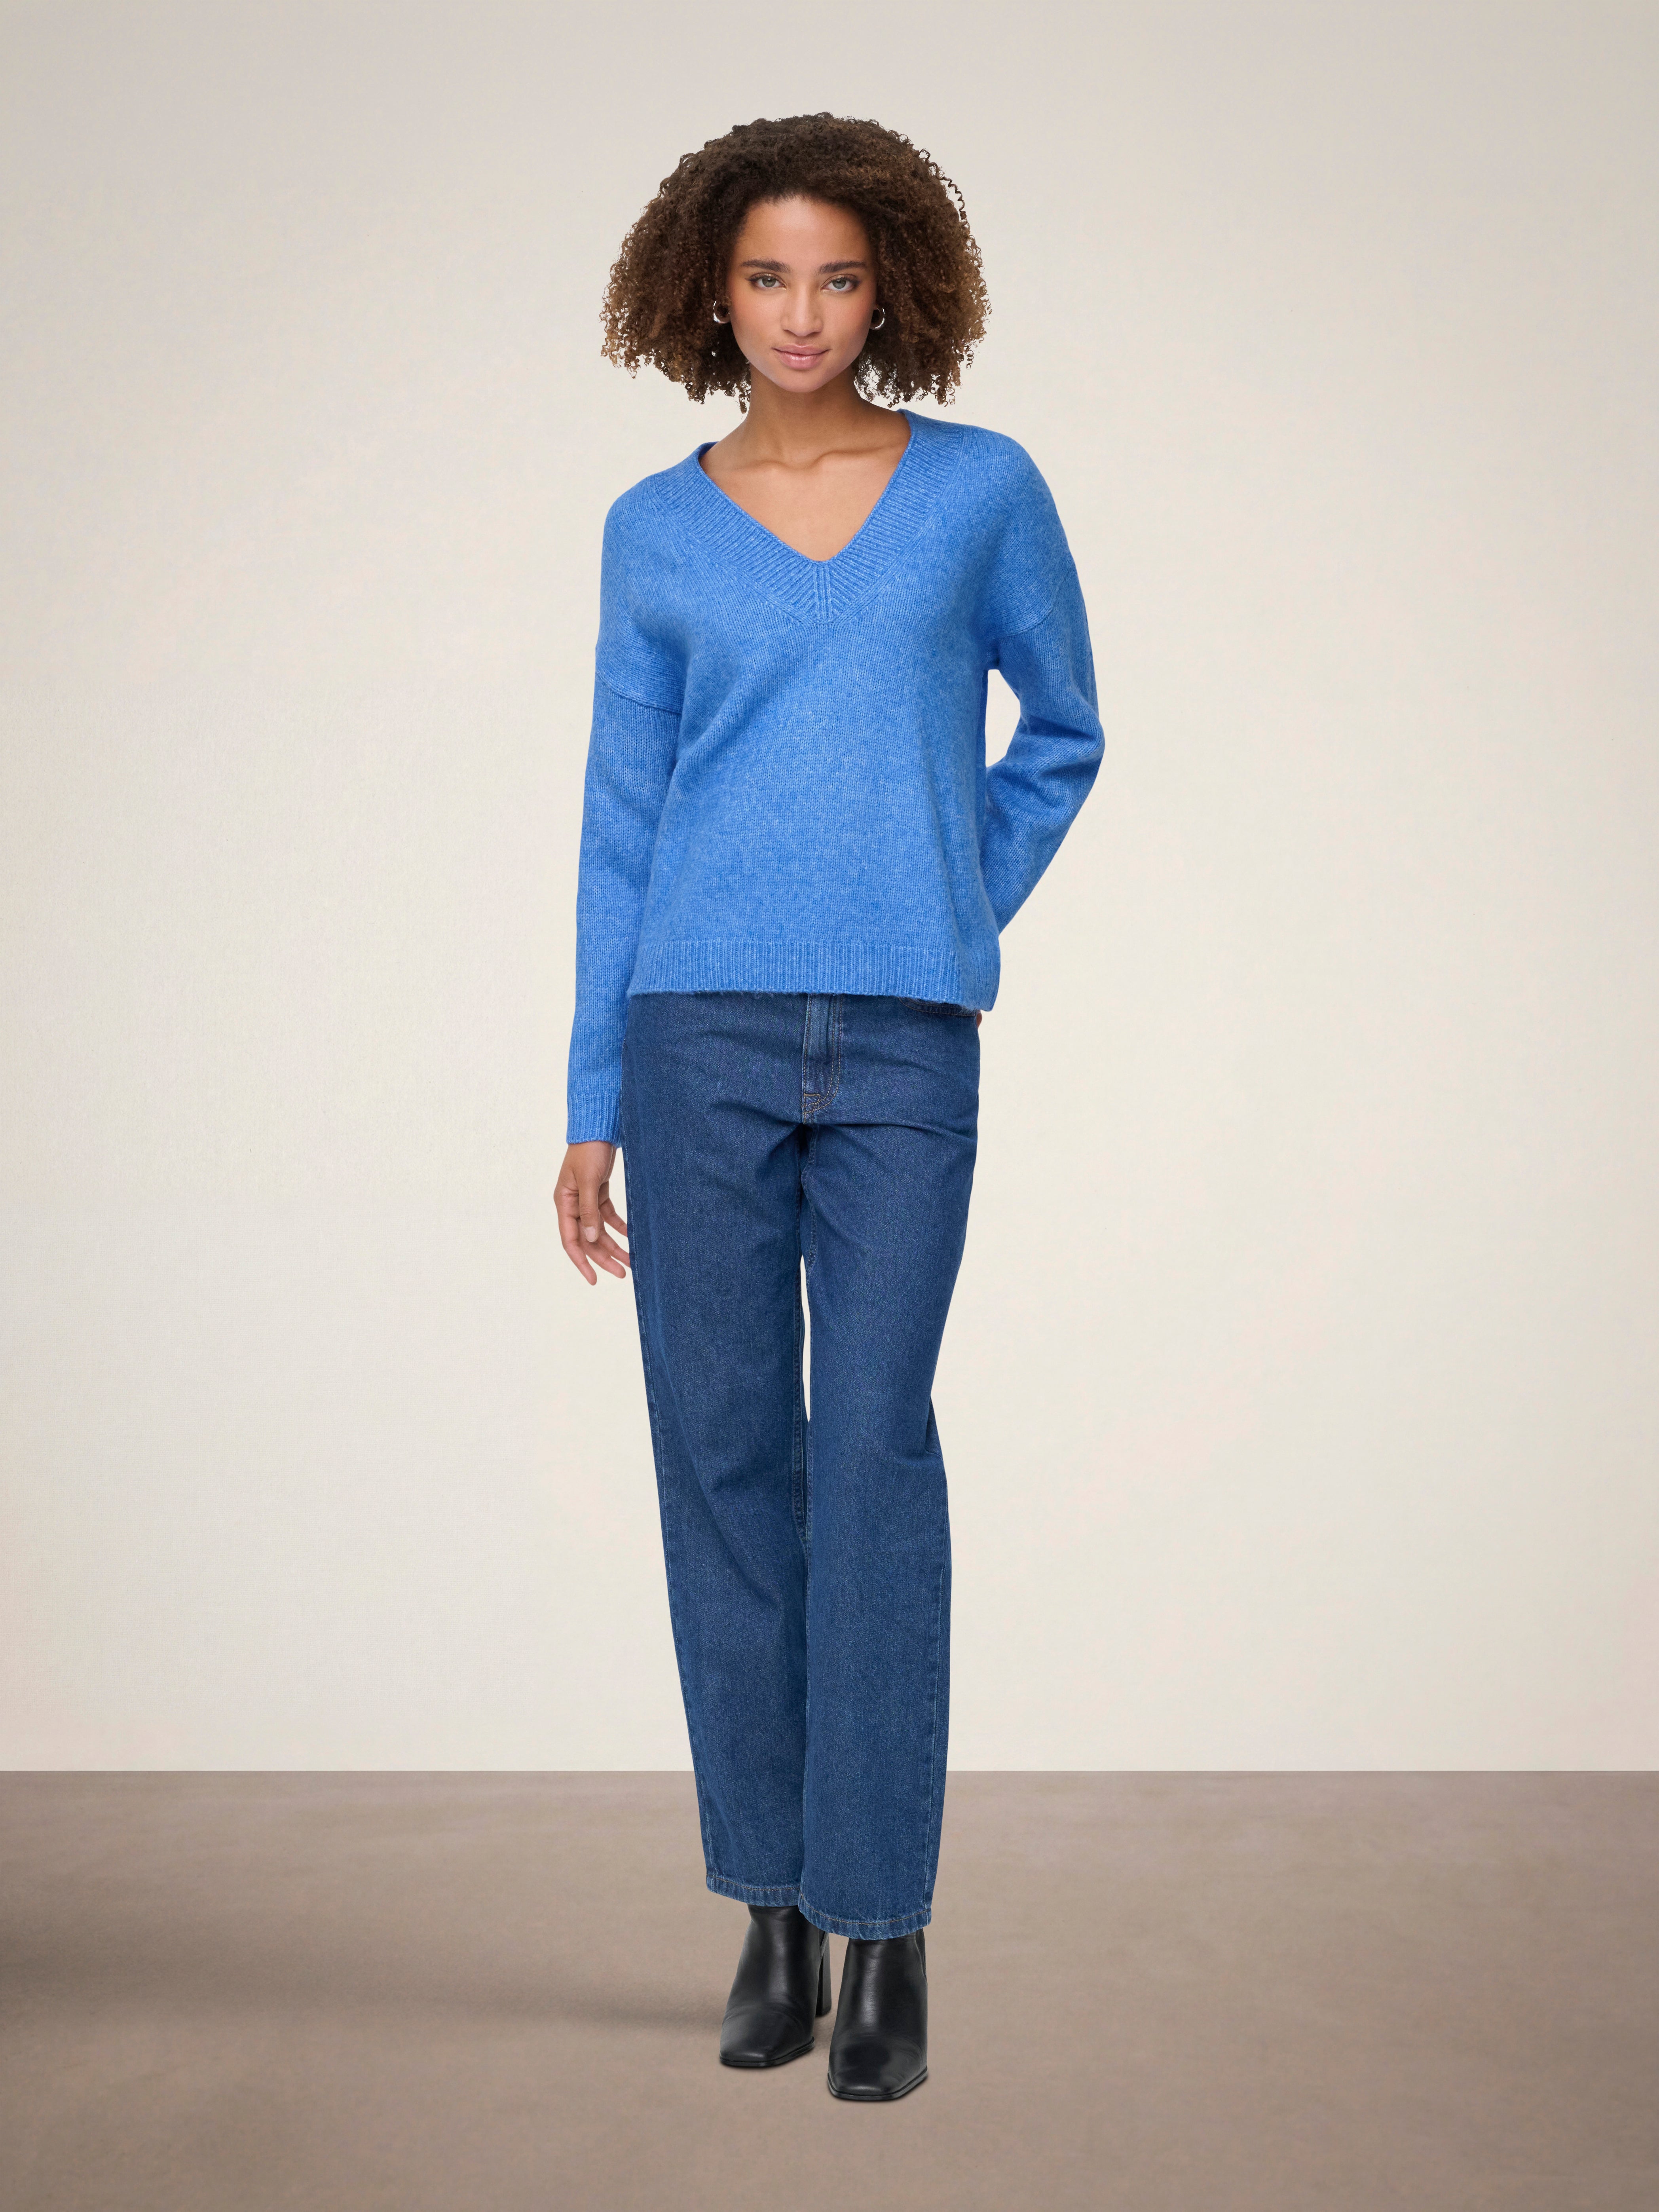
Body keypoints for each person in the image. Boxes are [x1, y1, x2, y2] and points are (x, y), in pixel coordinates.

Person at [556, 112, 1103, 2101]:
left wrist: (953, 899)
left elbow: (1065, 731)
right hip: (691, 1035)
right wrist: (591, 1090)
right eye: (769, 276)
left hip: (900, 1044)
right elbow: (623, 818)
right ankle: (769, 1911)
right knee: (723, 1462)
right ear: (710, 289)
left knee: (868, 1455)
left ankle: (885, 1929)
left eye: (839, 277)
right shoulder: (654, 527)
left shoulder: (978, 492)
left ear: (896, 291)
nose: (803, 314)